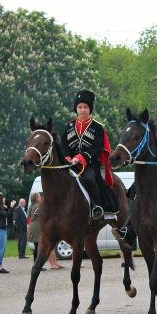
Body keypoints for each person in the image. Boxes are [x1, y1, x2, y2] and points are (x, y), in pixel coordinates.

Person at [63, 89, 117, 220]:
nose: (82, 110)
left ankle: (95, 207)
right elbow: (64, 145)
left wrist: (80, 158)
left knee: (89, 179)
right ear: (76, 108)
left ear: (90, 109)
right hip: (70, 164)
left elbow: (97, 148)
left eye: (85, 107)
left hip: (90, 165)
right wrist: (68, 158)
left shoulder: (97, 127)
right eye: (80, 107)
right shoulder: (69, 126)